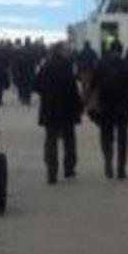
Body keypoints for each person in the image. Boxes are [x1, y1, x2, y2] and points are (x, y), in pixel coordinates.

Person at [91, 41, 128, 179]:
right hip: (122, 107)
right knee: (123, 138)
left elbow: (92, 85)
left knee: (106, 136)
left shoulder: (101, 64)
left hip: (106, 106)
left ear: (110, 50)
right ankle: (121, 169)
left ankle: (108, 161)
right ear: (121, 50)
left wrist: (90, 104)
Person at [35, 43, 83, 184]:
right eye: (66, 50)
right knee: (69, 139)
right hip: (67, 107)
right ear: (61, 51)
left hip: (49, 108)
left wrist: (47, 94)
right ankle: (69, 168)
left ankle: (52, 172)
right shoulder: (67, 66)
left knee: (51, 140)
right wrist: (78, 106)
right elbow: (72, 89)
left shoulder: (46, 66)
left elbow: (37, 86)